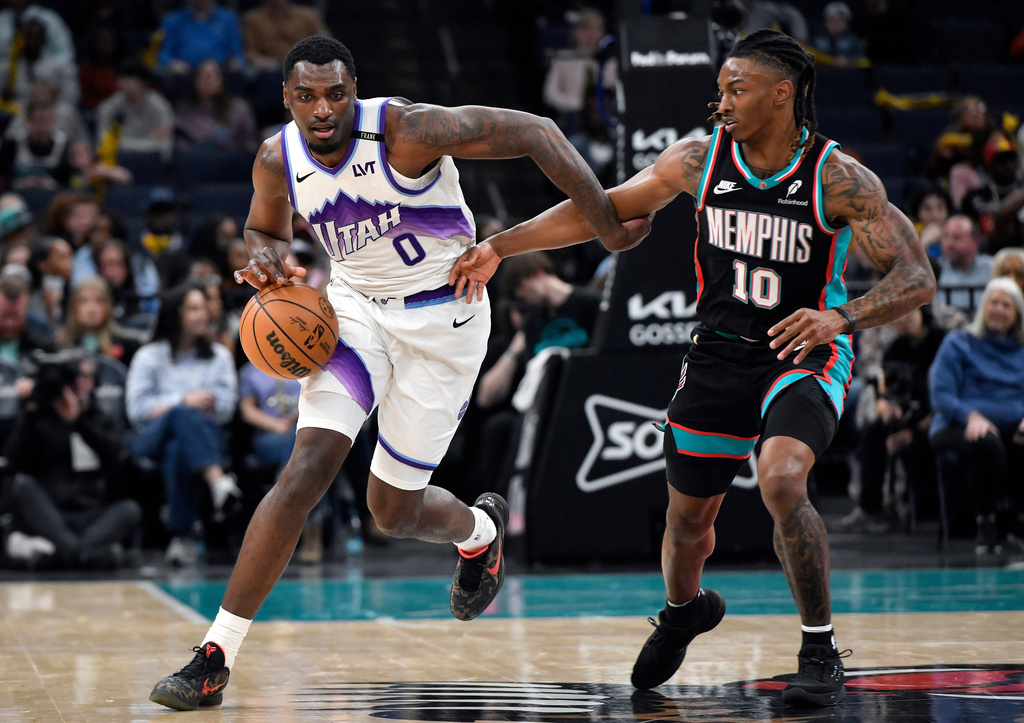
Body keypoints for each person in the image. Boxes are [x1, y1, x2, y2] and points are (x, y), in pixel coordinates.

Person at [148, 35, 642, 712]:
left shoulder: (407, 130)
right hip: (352, 312)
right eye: (306, 96)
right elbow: (262, 229)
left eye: (336, 93)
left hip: (446, 321)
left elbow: (538, 130)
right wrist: (264, 258)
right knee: (304, 470)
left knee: (392, 509)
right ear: (286, 98)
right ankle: (215, 654)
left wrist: (607, 223)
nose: (323, 109)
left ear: (355, 91)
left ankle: (479, 533)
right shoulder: (276, 157)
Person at [452, 29, 935, 707]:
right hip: (717, 354)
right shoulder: (697, 159)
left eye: (737, 88)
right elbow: (604, 207)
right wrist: (500, 245)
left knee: (783, 477)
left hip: (801, 353)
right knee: (689, 525)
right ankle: (684, 611)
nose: (723, 100)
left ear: (782, 94)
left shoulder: (837, 177)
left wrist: (841, 317)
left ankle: (819, 646)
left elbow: (917, 277)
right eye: (720, 88)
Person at [125, 282, 240, 567]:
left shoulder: (219, 356)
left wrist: (201, 406)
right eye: (194, 309)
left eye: (204, 308)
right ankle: (218, 482)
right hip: (150, 438)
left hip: (204, 436)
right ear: (176, 314)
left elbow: (226, 410)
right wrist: (183, 401)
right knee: (181, 413)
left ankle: (181, 536)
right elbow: (136, 410)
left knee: (179, 448)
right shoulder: (149, 356)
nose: (204, 315)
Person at [3, 349, 142, 569]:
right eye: (76, 377)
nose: (81, 384)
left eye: (87, 377)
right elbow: (14, 463)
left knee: (129, 509)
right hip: (49, 515)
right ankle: (88, 554)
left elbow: (116, 456)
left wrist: (78, 421)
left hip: (90, 514)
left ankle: (63, 552)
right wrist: (30, 410)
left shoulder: (101, 419)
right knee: (22, 486)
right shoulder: (40, 419)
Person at [928, 277, 1024, 554]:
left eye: (1007, 305)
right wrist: (970, 416)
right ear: (983, 307)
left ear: (1016, 313)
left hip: (1010, 425)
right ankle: (986, 522)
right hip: (955, 424)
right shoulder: (958, 343)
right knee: (987, 443)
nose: (999, 310)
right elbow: (941, 394)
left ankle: (1019, 522)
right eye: (994, 302)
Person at [936, 215, 993, 314]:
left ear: (975, 241)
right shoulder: (934, 270)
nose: (949, 243)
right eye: (945, 236)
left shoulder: (992, 268)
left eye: (957, 238)